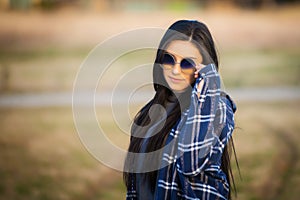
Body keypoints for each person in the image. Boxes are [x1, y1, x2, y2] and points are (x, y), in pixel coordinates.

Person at [123, 20, 238, 200]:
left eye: (187, 64)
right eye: (169, 59)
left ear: (204, 68)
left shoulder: (217, 108)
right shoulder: (150, 111)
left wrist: (209, 84)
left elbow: (191, 163)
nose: (175, 70)